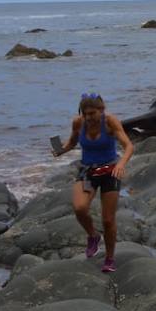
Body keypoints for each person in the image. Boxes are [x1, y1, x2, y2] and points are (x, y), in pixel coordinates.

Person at [52, 93, 134, 273]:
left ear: (102, 110)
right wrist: (60, 150)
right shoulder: (78, 123)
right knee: (80, 208)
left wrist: (121, 164)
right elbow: (72, 142)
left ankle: (110, 258)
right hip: (88, 172)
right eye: (85, 113)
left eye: (92, 113)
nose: (88, 117)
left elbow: (128, 146)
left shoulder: (110, 122)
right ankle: (93, 236)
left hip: (109, 172)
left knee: (107, 219)